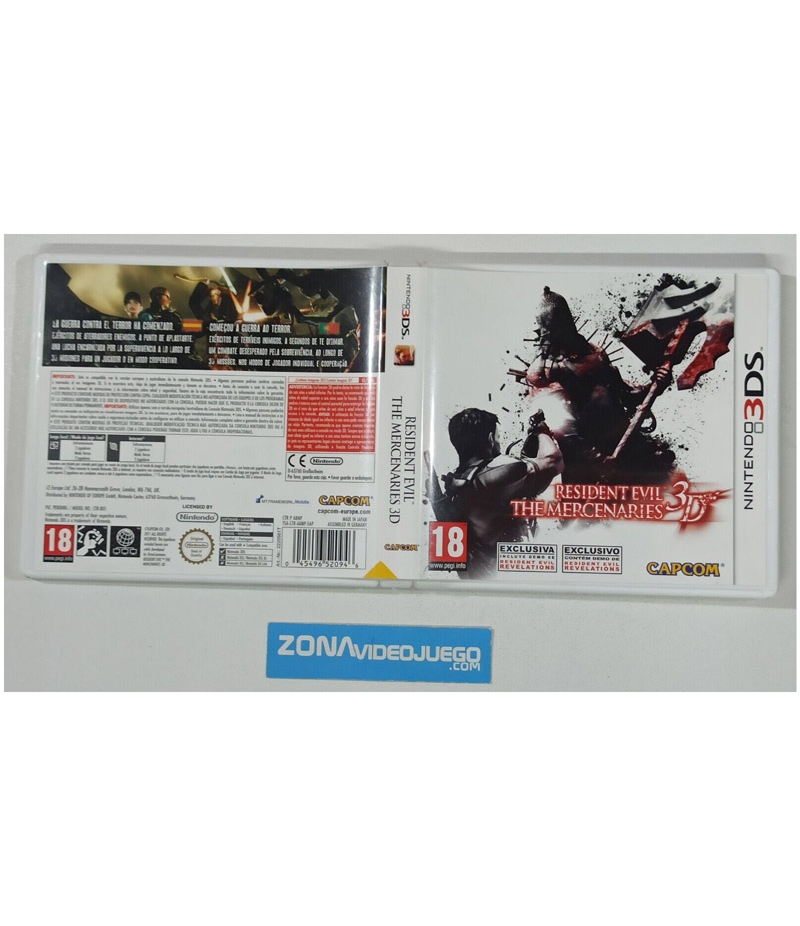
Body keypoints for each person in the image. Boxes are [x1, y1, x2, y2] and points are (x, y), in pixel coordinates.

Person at [440, 408, 563, 578]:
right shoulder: (495, 478)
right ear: (491, 439)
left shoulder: (458, 481)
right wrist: (542, 430)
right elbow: (554, 461)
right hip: (508, 578)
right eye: (498, 438)